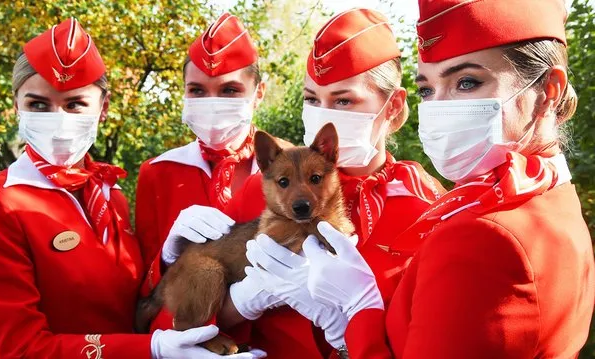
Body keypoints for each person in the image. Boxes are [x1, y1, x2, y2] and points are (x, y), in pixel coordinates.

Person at [251, 1, 595, 358]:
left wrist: (355, 313)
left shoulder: (480, 232)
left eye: (466, 82)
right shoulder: (546, 202)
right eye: (428, 90)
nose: (439, 108)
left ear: (548, 90)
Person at [0, 18, 264, 359]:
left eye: (74, 104)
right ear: (16, 106)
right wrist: (154, 349)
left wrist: (165, 260)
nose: (59, 119)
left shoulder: (110, 197)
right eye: (38, 105)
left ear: (102, 109)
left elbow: (134, 302)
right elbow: (20, 348)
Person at [219, 8, 445, 359]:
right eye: (312, 99)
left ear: (393, 107)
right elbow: (174, 317)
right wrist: (242, 302)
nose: (323, 114)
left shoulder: (429, 210)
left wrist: (346, 326)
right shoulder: (262, 190)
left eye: (343, 100)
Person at [135, 12, 266, 270]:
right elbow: (141, 286)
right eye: (197, 90)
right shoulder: (157, 173)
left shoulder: (294, 165)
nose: (212, 103)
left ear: (258, 94)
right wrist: (166, 257)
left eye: (229, 90)